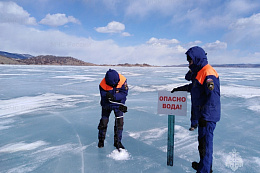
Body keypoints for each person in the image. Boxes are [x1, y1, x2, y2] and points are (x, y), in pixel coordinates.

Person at [171, 46, 220, 173]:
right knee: (202, 143)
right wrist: (178, 89)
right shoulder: (200, 72)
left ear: (197, 58)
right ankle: (204, 165)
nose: (189, 63)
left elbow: (212, 97)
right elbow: (193, 87)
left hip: (207, 116)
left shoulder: (208, 73)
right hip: (203, 115)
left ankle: (205, 170)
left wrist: (205, 117)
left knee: (206, 144)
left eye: (190, 61)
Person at [98, 69, 128, 150]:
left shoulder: (122, 81)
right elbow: (105, 99)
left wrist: (114, 97)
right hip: (106, 105)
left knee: (119, 124)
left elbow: (124, 94)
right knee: (103, 123)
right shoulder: (102, 84)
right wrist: (111, 98)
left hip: (119, 104)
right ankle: (101, 140)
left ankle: (118, 142)